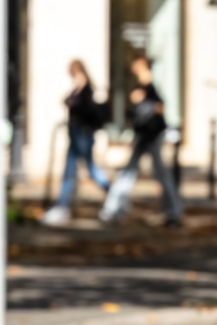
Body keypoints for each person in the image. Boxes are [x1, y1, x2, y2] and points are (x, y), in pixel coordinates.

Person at [102, 53, 182, 226]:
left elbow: (159, 107)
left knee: (152, 174)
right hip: (145, 135)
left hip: (151, 135)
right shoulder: (142, 85)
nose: (132, 67)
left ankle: (174, 211)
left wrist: (143, 101)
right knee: (134, 173)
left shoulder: (148, 86)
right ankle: (113, 209)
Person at [44, 58, 112, 226]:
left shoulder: (87, 91)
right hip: (74, 134)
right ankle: (62, 206)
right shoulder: (76, 90)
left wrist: (74, 104)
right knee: (69, 170)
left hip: (83, 134)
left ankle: (112, 193)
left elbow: (85, 110)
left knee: (90, 169)